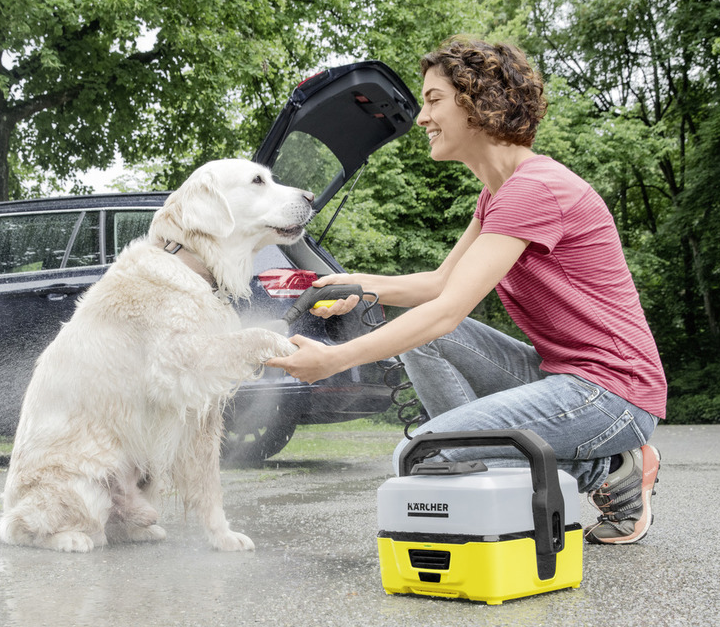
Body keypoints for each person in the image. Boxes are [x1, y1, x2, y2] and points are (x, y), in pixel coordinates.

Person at [264, 37, 666, 544]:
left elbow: (447, 311)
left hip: (611, 394)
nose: (422, 118)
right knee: (430, 394)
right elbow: (439, 284)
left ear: (479, 103)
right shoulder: (497, 194)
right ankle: (466, 451)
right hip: (564, 376)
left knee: (425, 455)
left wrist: (333, 359)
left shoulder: (533, 189)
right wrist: (359, 285)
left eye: (434, 101)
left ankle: (609, 469)